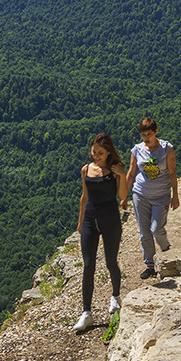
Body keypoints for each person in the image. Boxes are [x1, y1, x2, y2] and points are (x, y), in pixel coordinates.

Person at [74, 133, 128, 333]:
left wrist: (122, 174)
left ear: (108, 153)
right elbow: (84, 197)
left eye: (100, 153)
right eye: (94, 151)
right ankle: (86, 312)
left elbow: (122, 196)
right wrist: (80, 222)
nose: (96, 155)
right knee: (88, 265)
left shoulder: (114, 170)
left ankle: (115, 296)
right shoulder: (86, 170)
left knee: (110, 261)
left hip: (110, 219)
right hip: (90, 219)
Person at [126, 117, 180, 279]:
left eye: (149, 134)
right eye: (143, 135)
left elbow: (172, 172)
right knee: (144, 232)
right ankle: (149, 264)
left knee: (156, 229)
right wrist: (123, 195)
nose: (146, 139)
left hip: (161, 195)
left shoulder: (166, 149)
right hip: (140, 195)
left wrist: (175, 195)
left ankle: (165, 250)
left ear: (156, 132)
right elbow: (131, 173)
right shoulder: (137, 150)